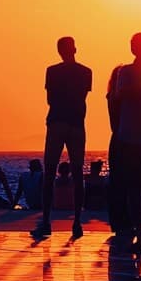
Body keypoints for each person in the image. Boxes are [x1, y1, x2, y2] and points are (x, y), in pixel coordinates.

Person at [107, 31, 141, 260]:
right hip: (129, 137)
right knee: (134, 188)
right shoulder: (127, 72)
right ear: (134, 49)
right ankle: (139, 233)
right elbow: (122, 94)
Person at [40, 36, 92, 241]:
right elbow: (81, 98)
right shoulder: (86, 72)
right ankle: (77, 222)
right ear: (75, 49)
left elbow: (50, 100)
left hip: (57, 121)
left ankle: (46, 221)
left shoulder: (52, 71)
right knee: (78, 173)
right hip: (77, 123)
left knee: (49, 172)